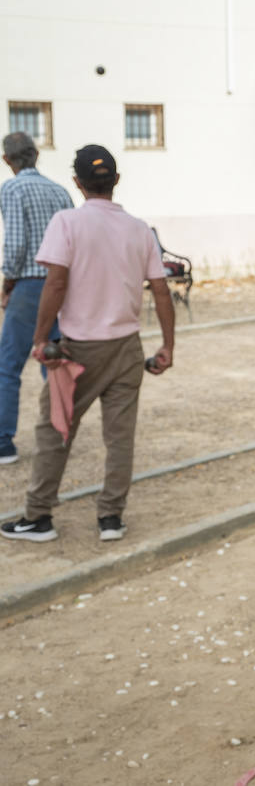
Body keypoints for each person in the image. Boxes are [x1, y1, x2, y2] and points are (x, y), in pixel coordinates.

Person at [0, 145, 174, 544]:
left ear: (77, 183)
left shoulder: (67, 223)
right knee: (119, 437)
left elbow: (56, 283)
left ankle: (38, 516)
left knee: (55, 431)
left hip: (77, 352)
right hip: (127, 348)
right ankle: (111, 517)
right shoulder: (138, 228)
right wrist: (168, 345)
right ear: (116, 180)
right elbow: (161, 290)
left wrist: (42, 337)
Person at [0, 131, 73, 464]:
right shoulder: (59, 191)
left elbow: (15, 243)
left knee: (8, 366)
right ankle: (59, 433)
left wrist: (8, 281)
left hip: (30, 284)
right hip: (64, 285)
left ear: (7, 160)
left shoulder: (13, 188)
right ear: (36, 155)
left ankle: (4, 442)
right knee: (55, 362)